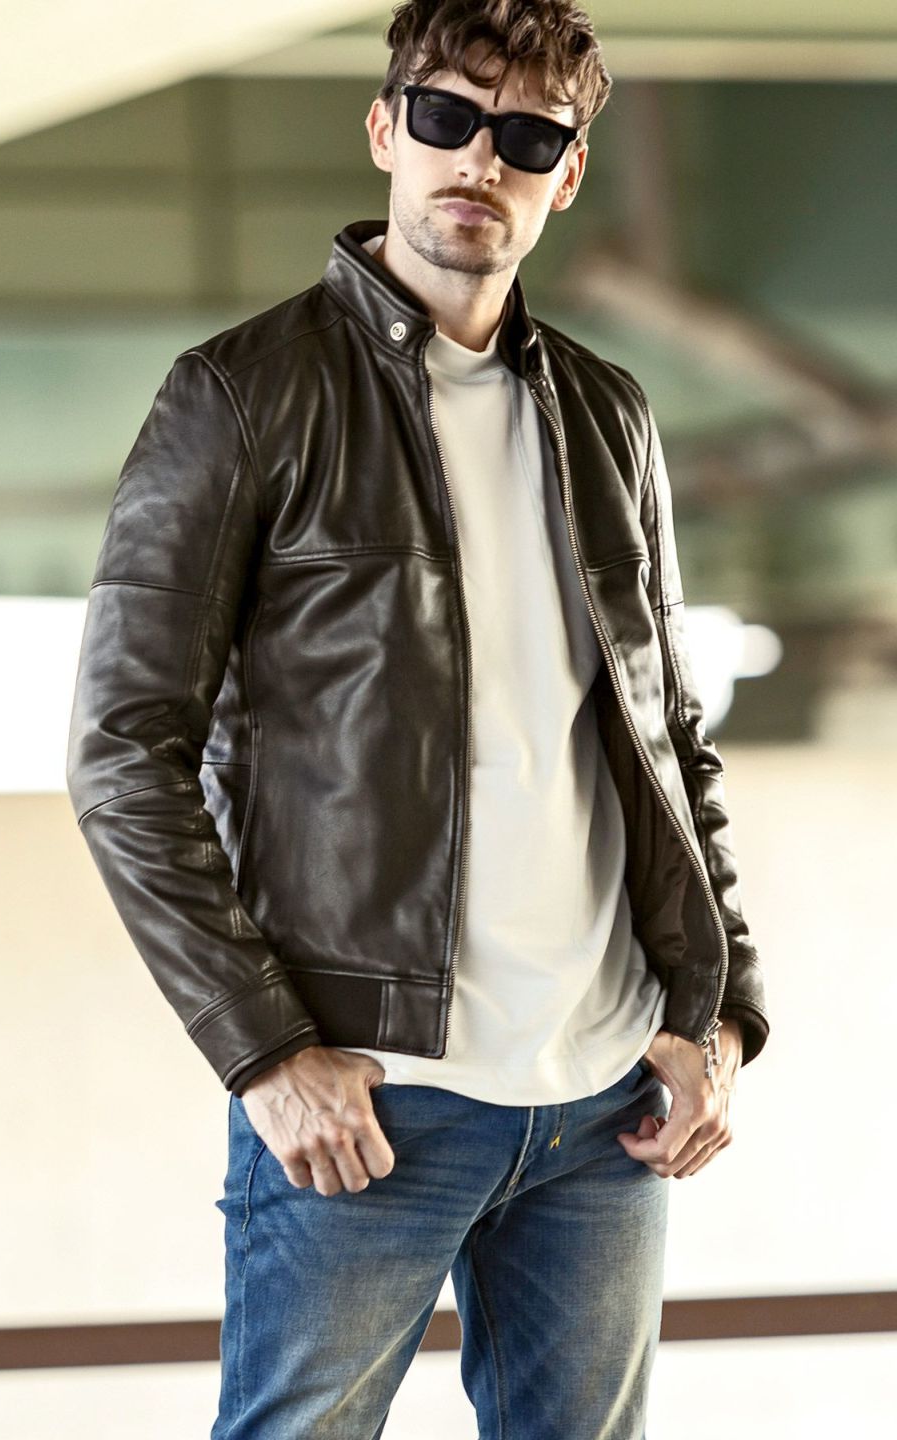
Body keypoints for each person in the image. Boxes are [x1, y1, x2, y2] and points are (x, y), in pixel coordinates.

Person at [65, 1, 770, 1433]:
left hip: (607, 1099)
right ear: (387, 130)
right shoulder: (244, 396)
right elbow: (123, 754)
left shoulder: (607, 416)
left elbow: (667, 739)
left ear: (569, 173)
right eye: (447, 118)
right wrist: (266, 1052)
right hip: (373, 1096)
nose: (480, 162)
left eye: (527, 139)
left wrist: (719, 1014)